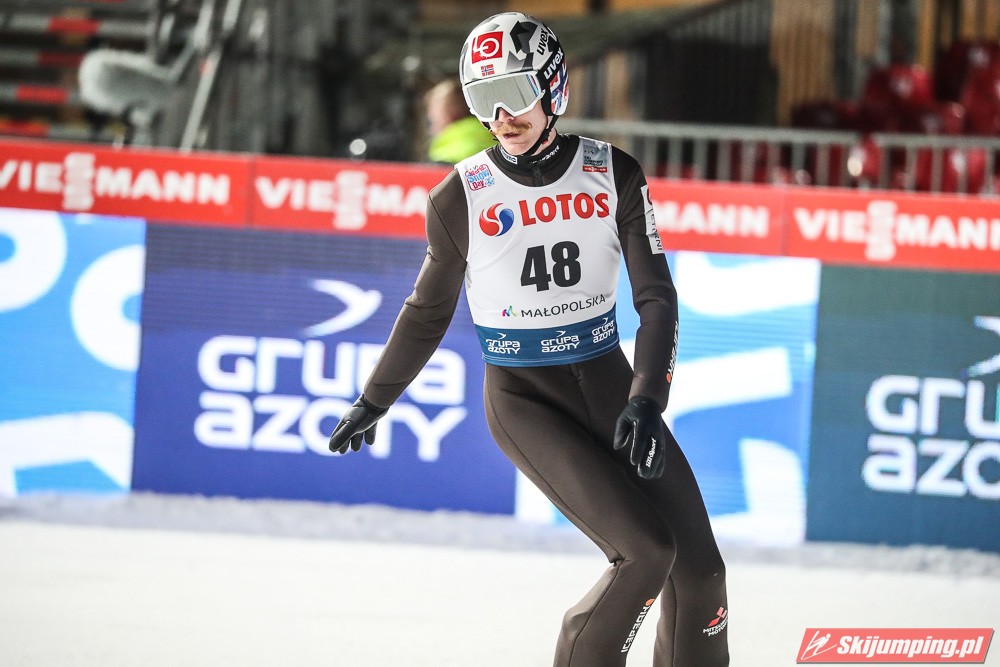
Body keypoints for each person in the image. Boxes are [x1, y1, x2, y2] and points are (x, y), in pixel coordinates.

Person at [329, 12, 730, 666]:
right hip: (525, 400)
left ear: (552, 88)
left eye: (514, 93)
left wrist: (646, 399)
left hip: (608, 383)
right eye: (483, 99)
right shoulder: (459, 197)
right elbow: (427, 312)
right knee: (644, 553)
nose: (501, 116)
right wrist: (375, 398)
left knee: (702, 572)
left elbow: (657, 298)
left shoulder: (613, 173)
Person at [424, 77, 495, 163]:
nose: (429, 115)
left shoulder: (445, 154)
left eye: (433, 108)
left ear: (449, 112)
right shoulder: (492, 132)